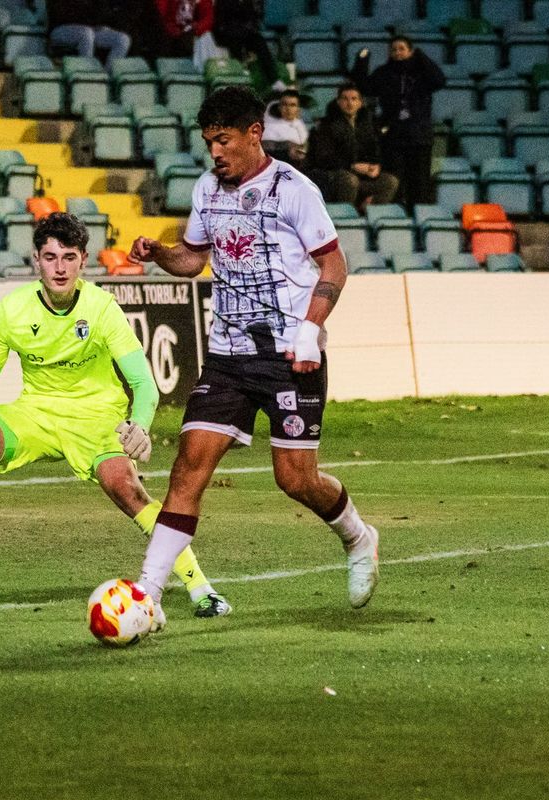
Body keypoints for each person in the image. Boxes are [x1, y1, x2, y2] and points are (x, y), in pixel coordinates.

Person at [0, 211, 232, 619]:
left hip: (98, 418)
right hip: (37, 413)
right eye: (50, 257)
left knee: (128, 492)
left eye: (68, 257)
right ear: (36, 260)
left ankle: (201, 588)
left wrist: (140, 425)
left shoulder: (102, 308)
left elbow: (143, 382)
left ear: (83, 260)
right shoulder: (11, 311)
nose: (59, 267)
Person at [125, 85, 379, 631]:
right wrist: (160, 252)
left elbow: (334, 268)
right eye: (208, 142)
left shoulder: (294, 190)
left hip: (291, 353)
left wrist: (312, 330)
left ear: (254, 134)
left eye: (224, 140)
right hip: (229, 353)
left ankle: (358, 537)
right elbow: (194, 258)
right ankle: (147, 595)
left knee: (296, 479)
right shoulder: (205, 189)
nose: (215, 152)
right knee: (189, 465)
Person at [352, 37, 446, 208]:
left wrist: (421, 57)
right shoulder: (384, 73)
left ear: (410, 51)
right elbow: (365, 88)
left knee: (420, 184)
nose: (397, 53)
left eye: (402, 49)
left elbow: (440, 80)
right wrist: (362, 60)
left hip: (420, 137)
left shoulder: (422, 73)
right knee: (396, 183)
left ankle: (418, 217)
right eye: (394, 49)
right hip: (393, 137)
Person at [304, 82, 399, 208]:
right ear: (338, 102)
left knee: (390, 182)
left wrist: (375, 166)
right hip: (334, 176)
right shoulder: (326, 125)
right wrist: (352, 166)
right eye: (345, 99)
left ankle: (366, 212)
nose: (350, 103)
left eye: (354, 99)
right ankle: (346, 217)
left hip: (363, 177)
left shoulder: (369, 125)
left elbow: (377, 150)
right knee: (350, 180)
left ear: (360, 103)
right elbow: (323, 158)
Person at [211, 0, 281, 87]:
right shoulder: (223, 2)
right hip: (227, 34)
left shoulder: (247, 2)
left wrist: (247, 30)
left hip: (244, 33)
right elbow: (220, 23)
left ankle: (274, 81)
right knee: (235, 40)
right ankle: (239, 75)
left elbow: (252, 20)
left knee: (259, 41)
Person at [47, 0, 134, 68]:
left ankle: (106, 77)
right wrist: (90, 23)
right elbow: (62, 14)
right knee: (86, 32)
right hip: (60, 29)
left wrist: (102, 25)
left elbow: (104, 14)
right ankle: (88, 74)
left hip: (90, 30)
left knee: (122, 39)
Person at [260, 86, 309, 164]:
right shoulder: (269, 125)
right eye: (285, 104)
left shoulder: (300, 126)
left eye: (292, 105)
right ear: (279, 107)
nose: (288, 109)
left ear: (298, 108)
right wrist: (287, 147)